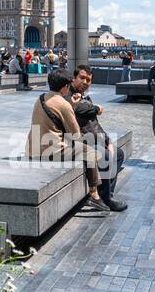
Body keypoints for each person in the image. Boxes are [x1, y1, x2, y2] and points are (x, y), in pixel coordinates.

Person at [27, 70, 109, 214]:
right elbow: (75, 135)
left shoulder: (40, 98)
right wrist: (73, 107)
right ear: (65, 86)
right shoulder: (64, 104)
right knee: (90, 152)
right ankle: (94, 194)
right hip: (50, 151)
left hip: (32, 147)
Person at [69, 64, 127, 210]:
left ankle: (107, 194)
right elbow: (83, 111)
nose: (85, 82)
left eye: (88, 80)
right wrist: (97, 109)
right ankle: (107, 199)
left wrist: (107, 140)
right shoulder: (69, 95)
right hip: (76, 142)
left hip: (90, 139)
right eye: (82, 78)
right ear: (73, 78)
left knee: (118, 153)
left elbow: (94, 124)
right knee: (105, 156)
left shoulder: (85, 97)